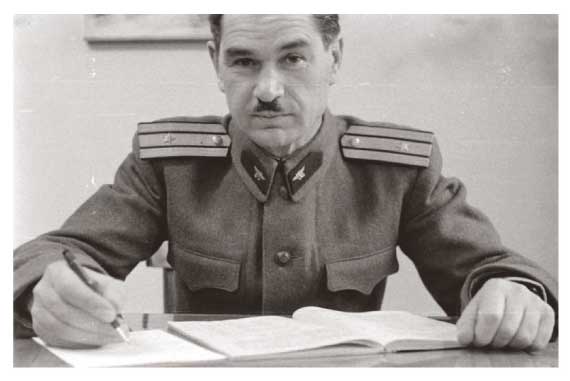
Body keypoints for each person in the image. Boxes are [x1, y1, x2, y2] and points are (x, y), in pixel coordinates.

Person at [14, 14, 557, 351]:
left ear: (334, 58)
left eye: (293, 57)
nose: (268, 89)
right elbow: (56, 252)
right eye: (244, 62)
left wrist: (511, 294)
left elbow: (494, 268)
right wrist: (50, 289)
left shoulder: (395, 169)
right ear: (216, 63)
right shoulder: (169, 164)